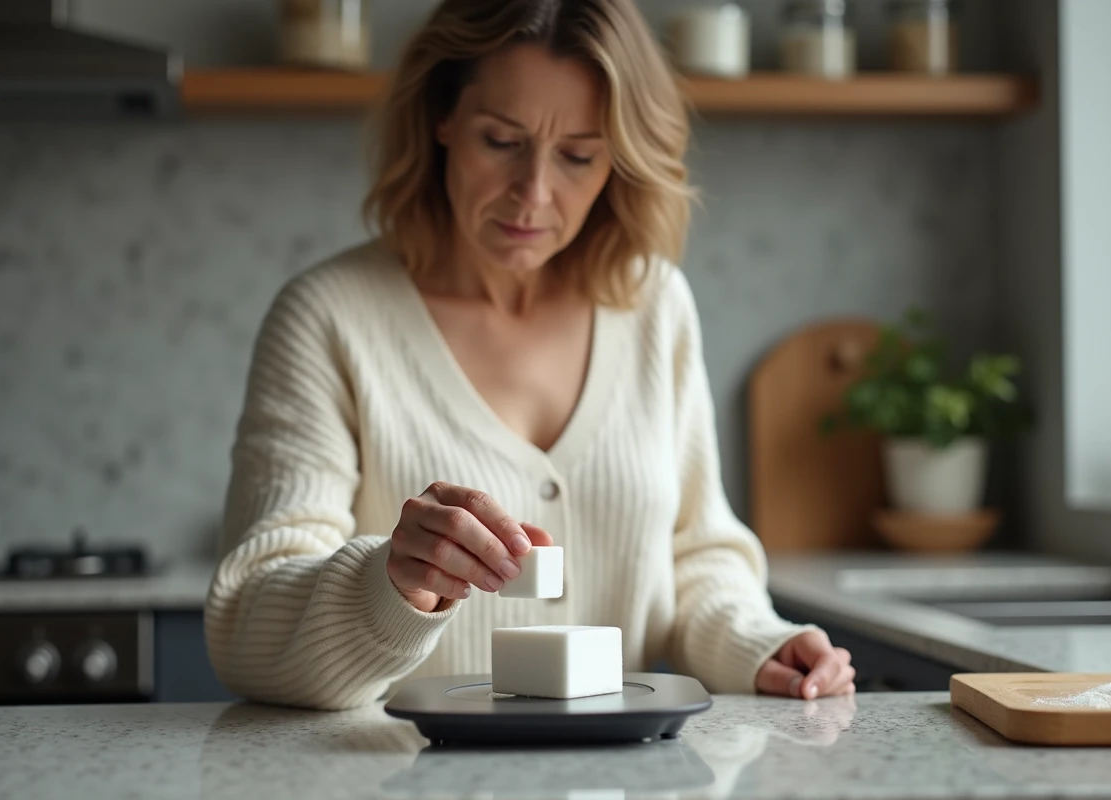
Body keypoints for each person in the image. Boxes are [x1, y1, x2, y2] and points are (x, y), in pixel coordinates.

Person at [205, 0, 856, 711]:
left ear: (619, 160)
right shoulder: (329, 317)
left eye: (578, 155)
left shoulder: (653, 305)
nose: (534, 194)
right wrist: (390, 588)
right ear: (442, 118)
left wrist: (757, 642)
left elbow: (694, 556)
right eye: (501, 140)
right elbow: (245, 626)